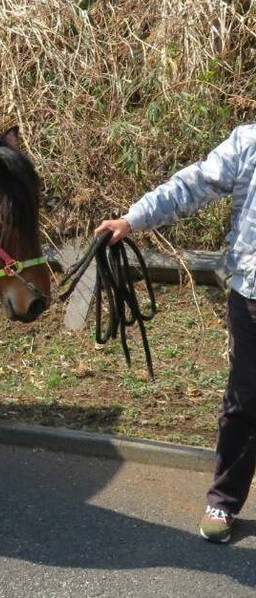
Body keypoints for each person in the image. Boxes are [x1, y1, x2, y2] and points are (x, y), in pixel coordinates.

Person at [96, 124, 256, 544]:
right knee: (244, 402)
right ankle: (223, 500)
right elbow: (194, 183)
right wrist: (132, 220)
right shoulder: (248, 142)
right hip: (253, 293)